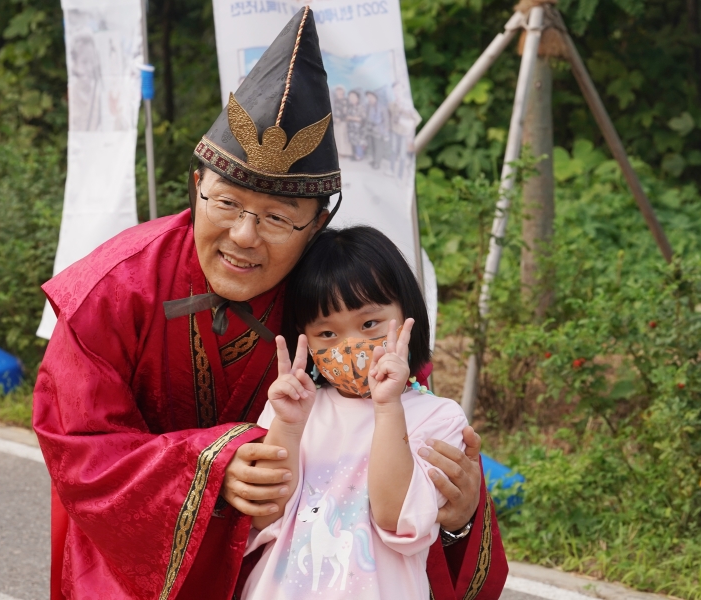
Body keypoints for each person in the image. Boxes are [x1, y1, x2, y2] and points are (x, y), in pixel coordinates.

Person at [33, 7, 504, 600]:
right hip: (135, 558)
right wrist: (208, 467)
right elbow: (77, 445)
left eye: (279, 217)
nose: (245, 236)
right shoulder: (111, 289)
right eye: (226, 203)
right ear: (196, 184)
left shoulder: (337, 299)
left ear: (319, 222)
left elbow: (406, 414)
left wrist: (459, 515)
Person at [240, 226, 473, 599]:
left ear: (408, 313)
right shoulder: (291, 409)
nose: (352, 346)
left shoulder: (439, 417)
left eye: (369, 324)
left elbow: (394, 517)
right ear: (305, 338)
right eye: (328, 334)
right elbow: (263, 515)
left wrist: (387, 406)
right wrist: (286, 424)